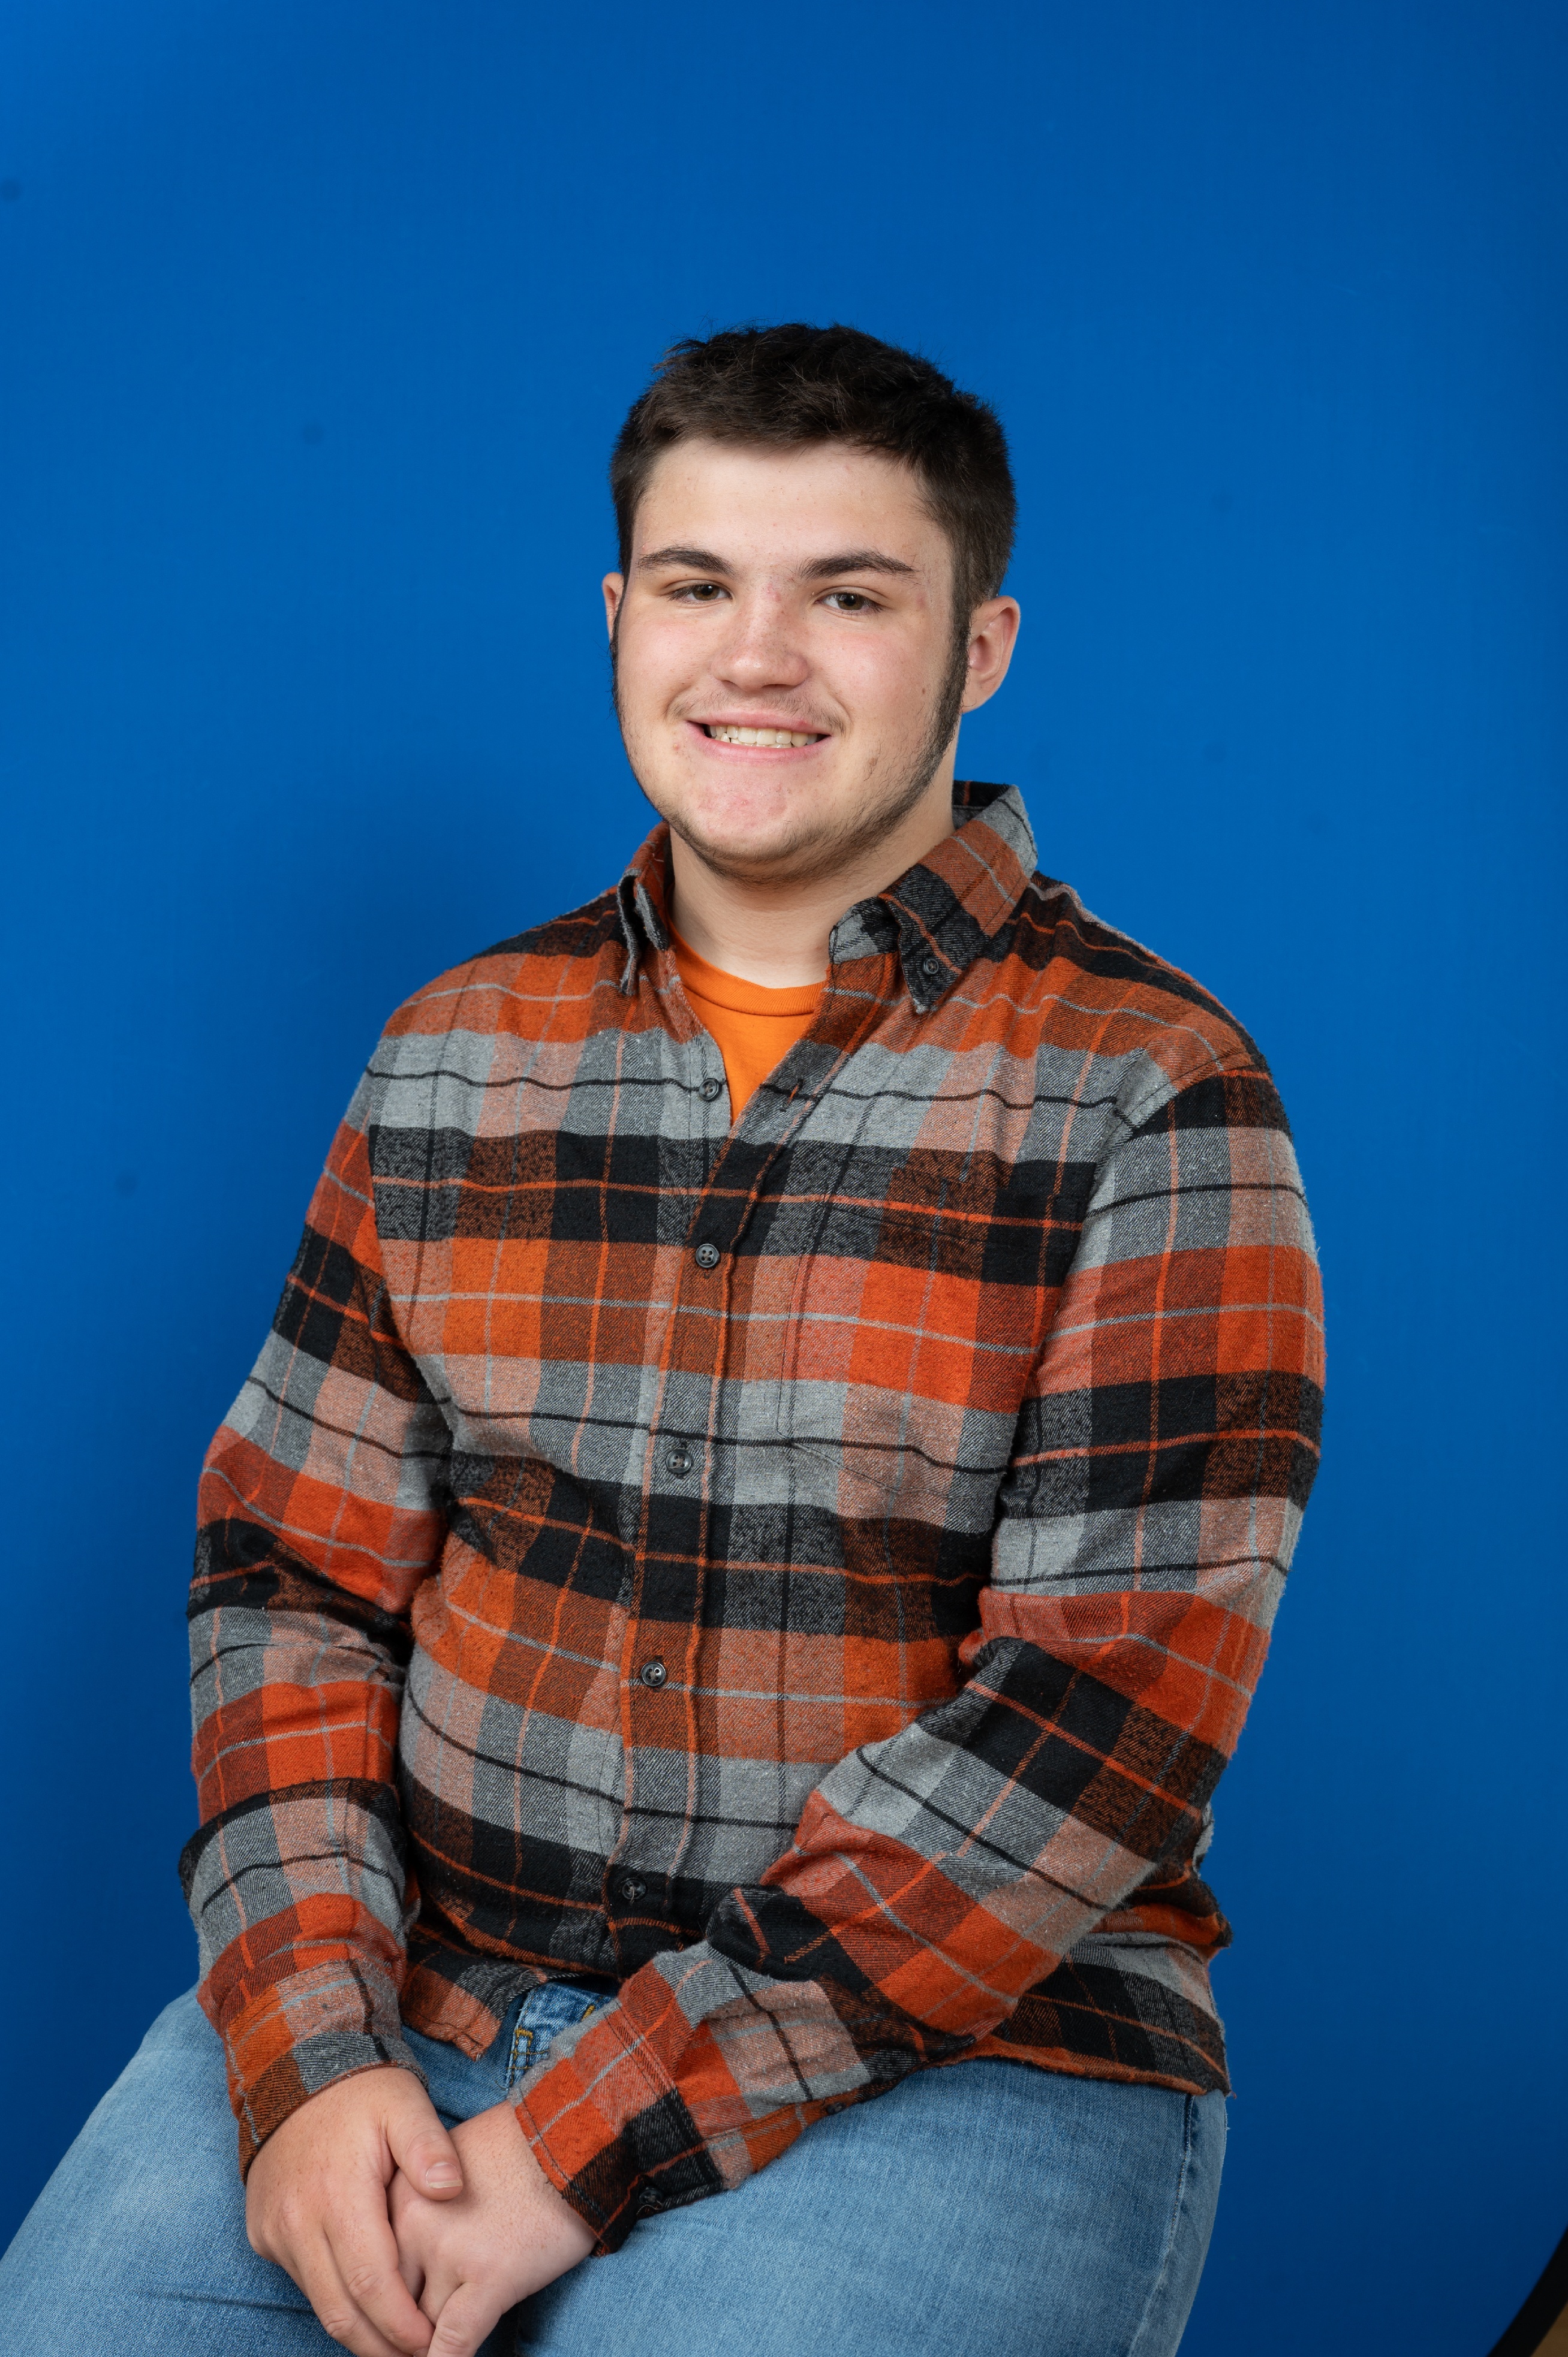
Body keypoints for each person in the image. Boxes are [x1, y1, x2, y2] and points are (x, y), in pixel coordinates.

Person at [1, 323, 1324, 2357]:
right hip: (418, 1993)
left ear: (980, 649)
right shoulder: (453, 1052)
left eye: (850, 596)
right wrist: (306, 2038)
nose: (758, 658)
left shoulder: (1152, 1091)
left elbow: (1096, 1725)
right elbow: (290, 1580)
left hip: (952, 2051)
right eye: (701, 586)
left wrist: (579, 2140)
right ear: (621, 617)